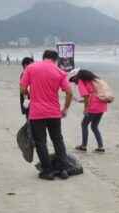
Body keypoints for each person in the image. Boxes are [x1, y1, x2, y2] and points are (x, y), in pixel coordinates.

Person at [20, 50, 74, 180]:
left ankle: (48, 171)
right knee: (57, 140)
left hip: (37, 113)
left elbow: (22, 88)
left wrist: (28, 96)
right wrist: (65, 108)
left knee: (40, 142)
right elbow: (69, 92)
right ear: (56, 60)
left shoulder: (31, 68)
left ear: (43, 57)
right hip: (54, 112)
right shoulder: (60, 72)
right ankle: (63, 169)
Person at [71, 70, 110, 153]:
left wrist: (85, 109)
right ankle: (100, 147)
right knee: (94, 126)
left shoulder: (81, 81)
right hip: (102, 104)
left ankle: (83, 146)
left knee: (84, 124)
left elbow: (86, 96)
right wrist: (83, 101)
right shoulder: (95, 80)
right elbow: (92, 94)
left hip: (93, 106)